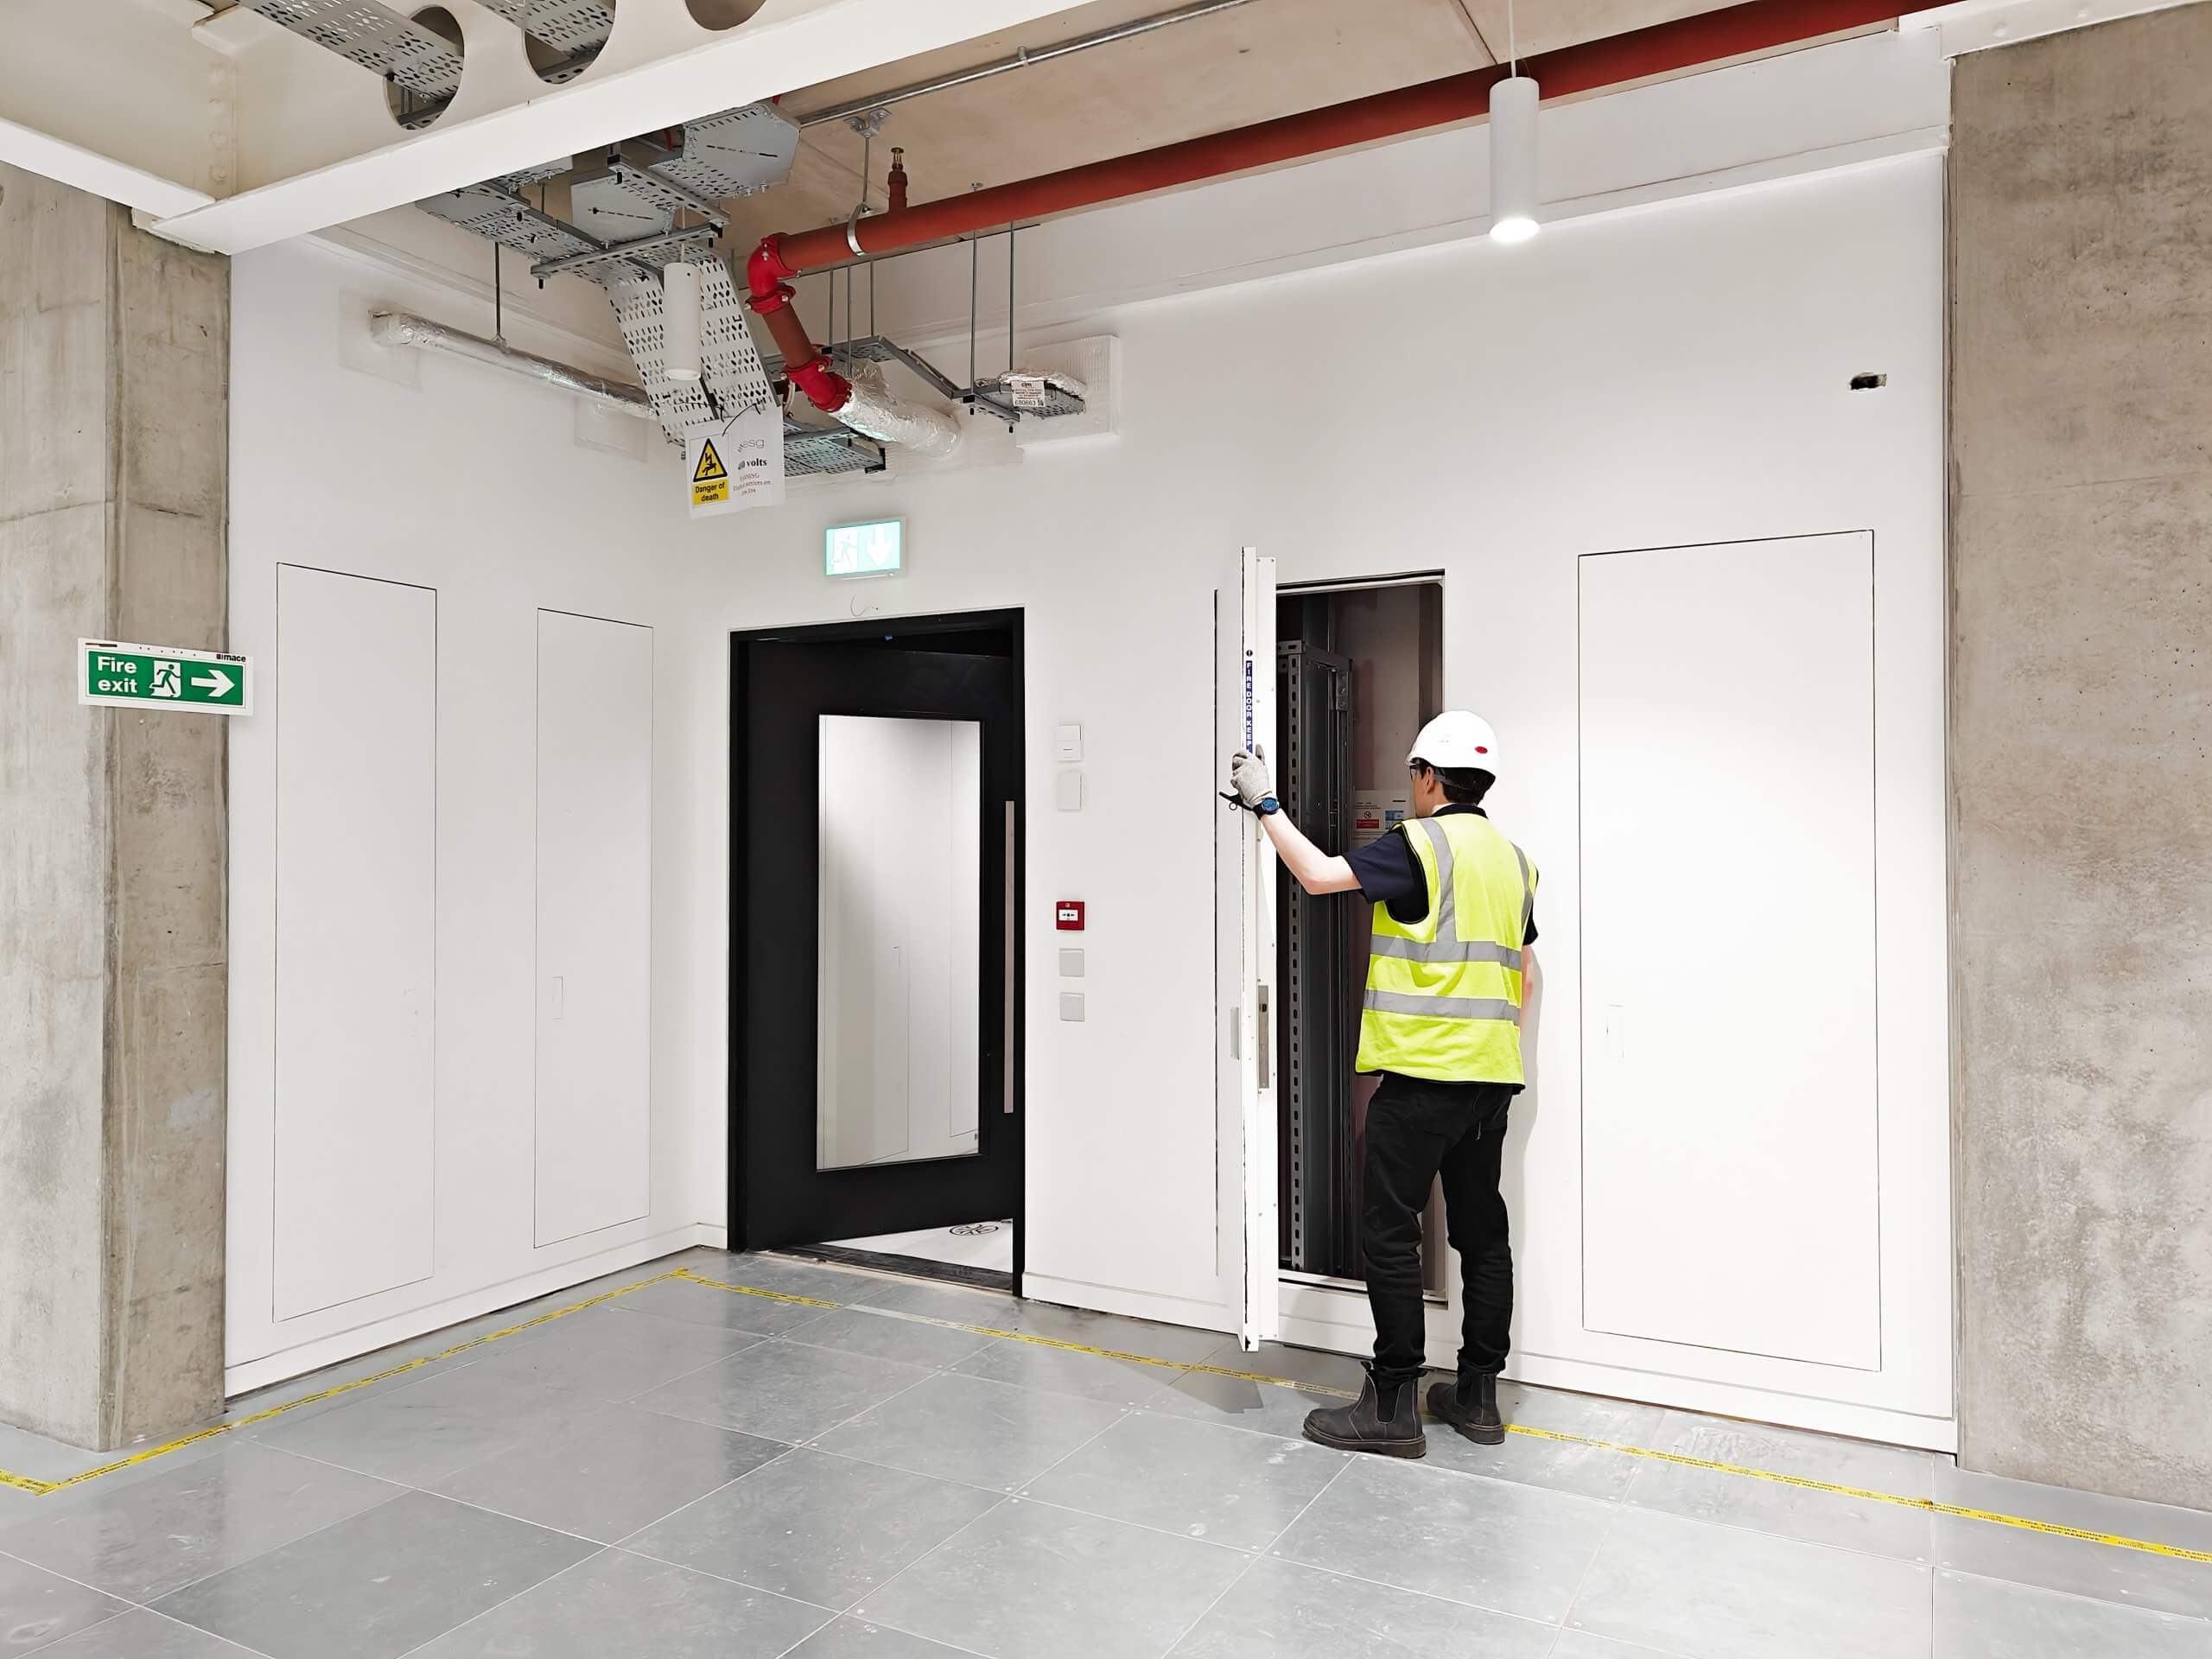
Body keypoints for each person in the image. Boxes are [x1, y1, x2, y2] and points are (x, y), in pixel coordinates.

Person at [1225, 711, 1535, 1459]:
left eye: (1414, 775)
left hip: (1422, 1078)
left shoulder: (1420, 845)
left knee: (1392, 1235)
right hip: (1489, 1080)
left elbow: (1320, 875)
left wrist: (1265, 804)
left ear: (1429, 778)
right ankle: (1477, 1397)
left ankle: (1392, 1404)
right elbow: (1529, 972)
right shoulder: (1515, 859)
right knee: (1481, 1234)